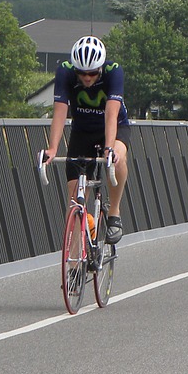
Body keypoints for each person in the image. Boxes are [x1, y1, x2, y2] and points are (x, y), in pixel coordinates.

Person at [41, 35, 130, 245]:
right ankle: (74, 266)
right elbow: (60, 112)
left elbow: (111, 114)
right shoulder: (65, 71)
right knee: (74, 201)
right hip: (82, 131)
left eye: (92, 73)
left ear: (100, 68)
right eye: (82, 73)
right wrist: (52, 148)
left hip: (114, 127)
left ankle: (114, 213)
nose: (87, 78)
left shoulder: (113, 72)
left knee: (118, 157)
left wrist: (109, 148)